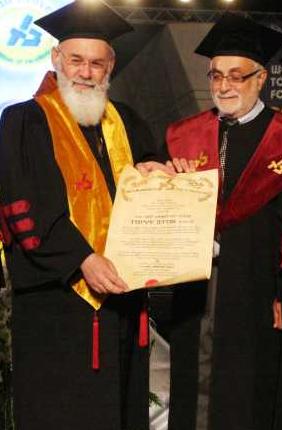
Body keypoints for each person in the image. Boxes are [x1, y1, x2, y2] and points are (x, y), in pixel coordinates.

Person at [0, 1, 170, 429]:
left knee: (122, 411)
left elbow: (151, 171)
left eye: (97, 63)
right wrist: (82, 259)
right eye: (75, 59)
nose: (85, 72)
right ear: (56, 59)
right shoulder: (24, 120)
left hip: (124, 300)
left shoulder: (126, 122)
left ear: (110, 65)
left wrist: (159, 174)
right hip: (58, 302)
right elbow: (25, 206)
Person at [165, 12, 282, 430]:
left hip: (258, 288)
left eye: (236, 76)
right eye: (216, 75)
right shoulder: (185, 134)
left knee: (250, 390)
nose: (223, 86)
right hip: (195, 288)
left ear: (261, 79)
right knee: (194, 387)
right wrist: (160, 177)